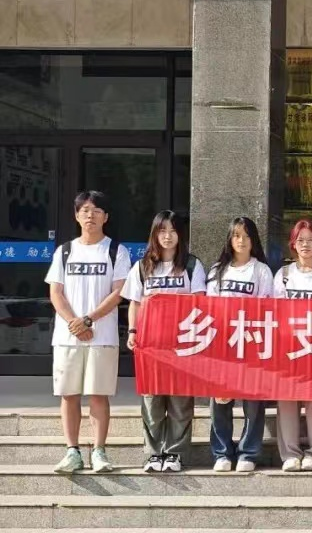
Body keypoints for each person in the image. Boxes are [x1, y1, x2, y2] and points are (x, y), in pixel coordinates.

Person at [46, 191, 132, 474]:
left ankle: (98, 451)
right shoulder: (65, 251)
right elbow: (56, 292)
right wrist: (74, 322)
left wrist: (88, 320)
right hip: (67, 337)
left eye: (96, 210)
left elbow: (119, 292)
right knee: (69, 394)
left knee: (98, 394)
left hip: (102, 335)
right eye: (84, 210)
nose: (90, 215)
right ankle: (72, 451)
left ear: (106, 217)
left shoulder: (116, 251)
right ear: (76, 216)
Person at [122, 210, 206, 473]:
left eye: (173, 231)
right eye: (162, 231)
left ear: (181, 234)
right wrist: (132, 331)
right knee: (152, 400)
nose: (167, 236)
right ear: (154, 234)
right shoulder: (142, 266)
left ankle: (175, 453)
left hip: (182, 343)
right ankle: (153, 452)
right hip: (151, 343)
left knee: (180, 400)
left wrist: (169, 301)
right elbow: (135, 303)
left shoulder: (192, 265)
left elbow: (200, 301)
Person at [206, 217, 275, 473]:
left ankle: (248, 452)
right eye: (236, 236)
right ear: (230, 239)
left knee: (253, 403)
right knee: (220, 402)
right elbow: (211, 309)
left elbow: (266, 307)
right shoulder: (217, 270)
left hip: (252, 343)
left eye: (246, 236)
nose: (241, 241)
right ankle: (222, 452)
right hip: (223, 344)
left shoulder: (261, 270)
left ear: (253, 240)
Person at [272, 219, 312, 472]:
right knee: (287, 399)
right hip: (289, 345)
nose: (305, 244)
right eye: (300, 240)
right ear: (293, 244)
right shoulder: (284, 275)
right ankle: (290, 453)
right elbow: (275, 310)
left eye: (310, 239)